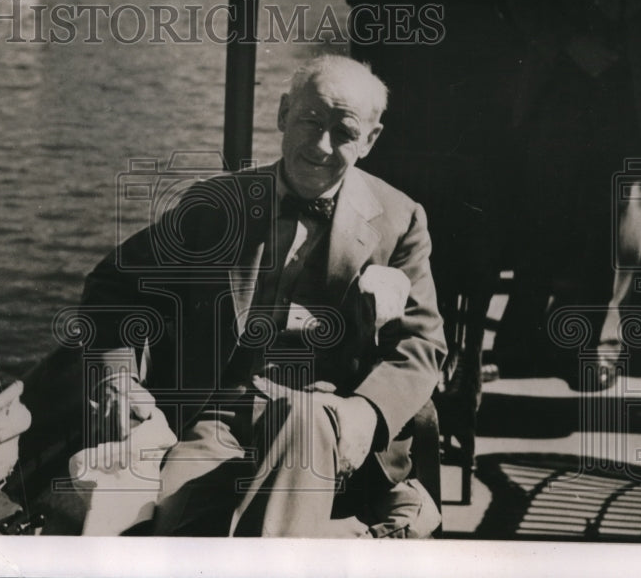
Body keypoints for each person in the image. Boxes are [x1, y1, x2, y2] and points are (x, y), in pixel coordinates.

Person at [77, 55, 446, 537]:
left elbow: (422, 346)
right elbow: (114, 286)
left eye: (344, 131)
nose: (320, 145)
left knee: (303, 421)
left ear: (371, 140)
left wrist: (368, 412)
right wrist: (116, 377)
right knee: (178, 522)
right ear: (282, 114)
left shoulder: (399, 219)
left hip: (331, 420)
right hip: (217, 421)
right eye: (310, 121)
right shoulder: (213, 208)